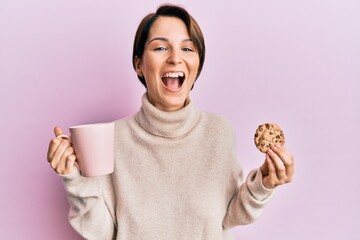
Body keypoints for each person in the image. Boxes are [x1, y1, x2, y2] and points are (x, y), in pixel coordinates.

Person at [47, 4, 295, 240]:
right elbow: (100, 232)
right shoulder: (111, 140)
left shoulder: (218, 132)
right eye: (160, 48)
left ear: (197, 66)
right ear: (139, 65)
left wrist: (264, 181)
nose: (175, 58)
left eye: (187, 49)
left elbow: (229, 216)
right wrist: (73, 177)